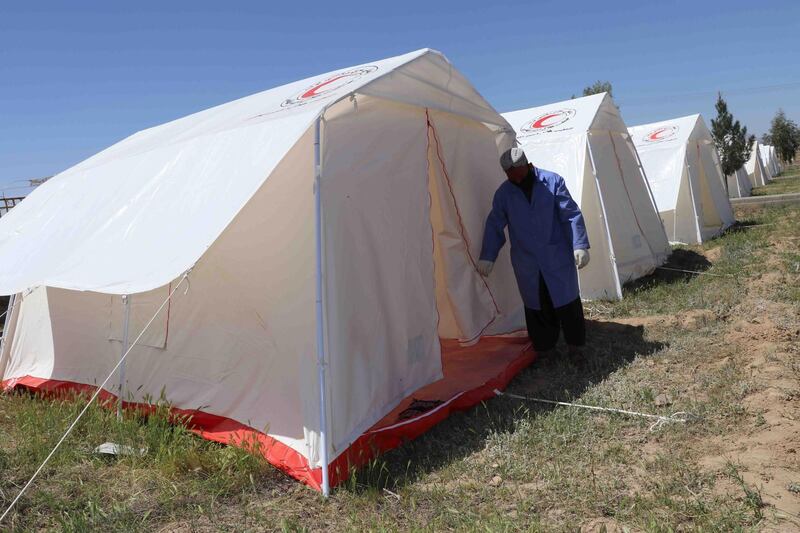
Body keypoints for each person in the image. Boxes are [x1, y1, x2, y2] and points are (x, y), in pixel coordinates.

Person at [477, 147, 590, 361]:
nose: (517, 182)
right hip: (527, 261)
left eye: (520, 177)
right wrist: (488, 255)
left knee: (567, 303)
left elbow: (571, 215)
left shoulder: (552, 182)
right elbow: (495, 224)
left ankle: (576, 348)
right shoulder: (504, 193)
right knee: (537, 306)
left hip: (555, 255)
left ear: (528, 166)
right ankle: (545, 350)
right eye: (512, 179)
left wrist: (579, 244)